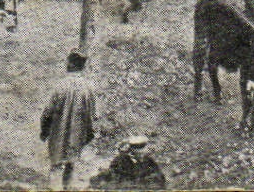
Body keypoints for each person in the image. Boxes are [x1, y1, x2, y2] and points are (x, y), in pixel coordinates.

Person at [39, 50, 97, 189]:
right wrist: (89, 132)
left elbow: (48, 111)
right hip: (77, 134)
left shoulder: (60, 86)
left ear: (71, 64)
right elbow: (92, 114)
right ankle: (67, 188)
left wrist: (44, 130)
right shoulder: (88, 87)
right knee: (71, 164)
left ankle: (53, 188)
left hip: (58, 132)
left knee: (55, 165)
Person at [91, 134, 166, 190]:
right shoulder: (120, 160)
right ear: (132, 149)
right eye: (138, 149)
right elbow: (115, 178)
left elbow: (159, 176)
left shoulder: (149, 160)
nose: (141, 152)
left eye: (143, 149)